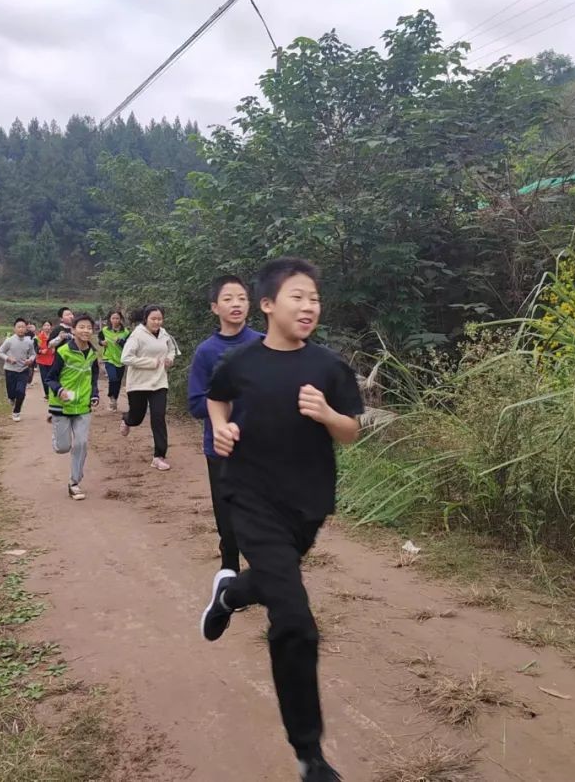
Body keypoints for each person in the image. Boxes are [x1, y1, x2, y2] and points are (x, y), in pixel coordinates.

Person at [200, 258, 364, 782]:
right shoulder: (241, 363)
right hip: (249, 497)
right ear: (268, 305)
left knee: (274, 581)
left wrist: (326, 415)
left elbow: (351, 432)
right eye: (297, 296)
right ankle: (309, 754)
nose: (309, 306)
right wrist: (222, 431)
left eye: (314, 297)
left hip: (307, 505)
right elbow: (215, 400)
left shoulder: (330, 368)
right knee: (294, 617)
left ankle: (229, 595)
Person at [188, 275, 263, 573]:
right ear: (214, 307)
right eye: (228, 299)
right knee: (229, 521)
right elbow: (196, 404)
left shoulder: (263, 344)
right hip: (221, 450)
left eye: (242, 298)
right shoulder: (206, 352)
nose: (236, 304)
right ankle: (229, 569)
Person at [44, 313, 100, 500]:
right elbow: (50, 378)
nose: (86, 331)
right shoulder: (63, 352)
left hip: (82, 406)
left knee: (81, 443)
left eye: (89, 328)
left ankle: (74, 482)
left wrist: (94, 394)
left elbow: (93, 378)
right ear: (74, 330)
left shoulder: (92, 354)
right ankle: (56, 430)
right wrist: (60, 391)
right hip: (62, 405)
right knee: (62, 447)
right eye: (82, 327)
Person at [119, 305, 180, 471]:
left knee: (158, 417)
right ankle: (127, 419)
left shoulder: (164, 334)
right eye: (153, 319)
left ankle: (159, 456)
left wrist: (169, 359)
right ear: (145, 319)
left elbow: (172, 350)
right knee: (137, 418)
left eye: (160, 319)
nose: (157, 322)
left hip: (159, 382)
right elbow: (125, 358)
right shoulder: (137, 335)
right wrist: (150, 363)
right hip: (139, 383)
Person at [0, 317, 37, 422]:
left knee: (21, 392)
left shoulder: (29, 342)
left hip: (23, 370)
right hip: (10, 370)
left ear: (26, 329)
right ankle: (11, 398)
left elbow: (33, 354)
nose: (21, 329)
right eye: (19, 327)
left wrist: (30, 360)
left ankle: (16, 412)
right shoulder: (9, 341)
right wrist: (8, 358)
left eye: (23, 327)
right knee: (11, 393)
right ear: (14, 329)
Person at [99, 310, 130, 412]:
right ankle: (111, 398)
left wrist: (120, 341)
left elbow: (129, 346)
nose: (115, 320)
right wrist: (101, 342)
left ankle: (114, 399)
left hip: (121, 359)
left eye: (117, 318)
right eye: (113, 318)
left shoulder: (125, 332)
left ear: (120, 319)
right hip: (109, 358)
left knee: (118, 381)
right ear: (110, 319)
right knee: (112, 378)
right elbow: (99, 340)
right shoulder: (104, 330)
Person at [35, 320, 56, 406]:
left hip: (52, 359)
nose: (47, 327)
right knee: (44, 378)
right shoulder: (38, 337)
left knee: (52, 377)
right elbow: (35, 348)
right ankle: (47, 394)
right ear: (42, 327)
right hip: (42, 360)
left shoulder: (54, 336)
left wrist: (55, 349)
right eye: (45, 325)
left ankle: (53, 393)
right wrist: (40, 351)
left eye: (48, 325)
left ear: (51, 327)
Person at [25, 322, 38, 387]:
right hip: (24, 355)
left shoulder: (33, 336)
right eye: (28, 326)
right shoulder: (22, 334)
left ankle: (28, 382)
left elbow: (36, 345)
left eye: (30, 327)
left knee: (30, 369)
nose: (29, 328)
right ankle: (25, 382)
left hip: (31, 355)